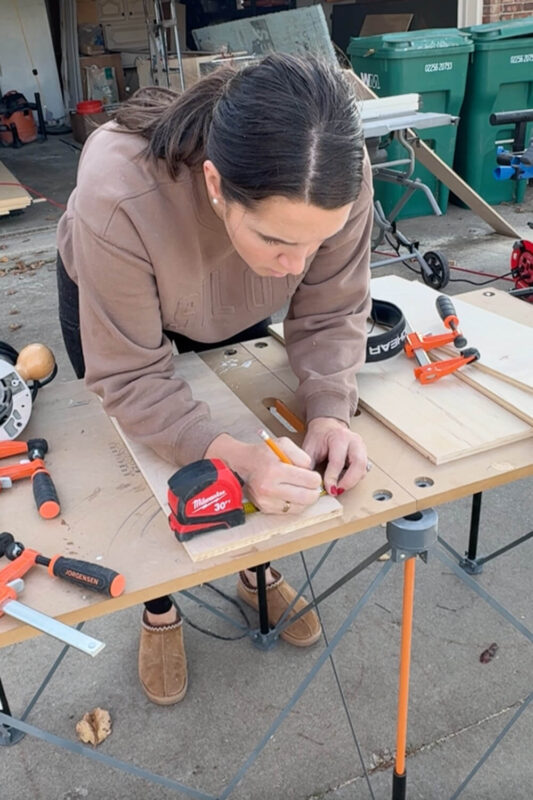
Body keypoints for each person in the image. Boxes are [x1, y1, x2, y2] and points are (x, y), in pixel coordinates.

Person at [56, 53, 374, 706]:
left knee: (256, 456)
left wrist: (329, 412)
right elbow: (133, 378)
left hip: (229, 290)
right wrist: (224, 454)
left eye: (315, 243)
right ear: (213, 183)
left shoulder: (337, 179)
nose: (296, 269)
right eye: (279, 242)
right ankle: (160, 608)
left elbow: (333, 308)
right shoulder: (117, 192)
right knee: (156, 462)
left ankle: (254, 568)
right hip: (116, 285)